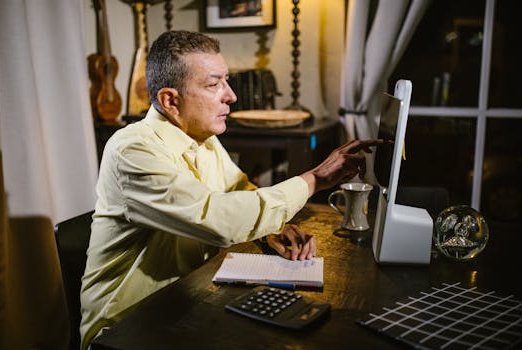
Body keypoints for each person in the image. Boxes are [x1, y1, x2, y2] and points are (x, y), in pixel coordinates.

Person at [79, 30, 382, 349]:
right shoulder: (132, 151)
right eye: (214, 84)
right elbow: (217, 218)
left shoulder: (203, 139)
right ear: (170, 100)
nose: (231, 96)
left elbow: (241, 191)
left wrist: (270, 230)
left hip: (184, 302)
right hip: (125, 327)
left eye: (226, 80)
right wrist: (316, 179)